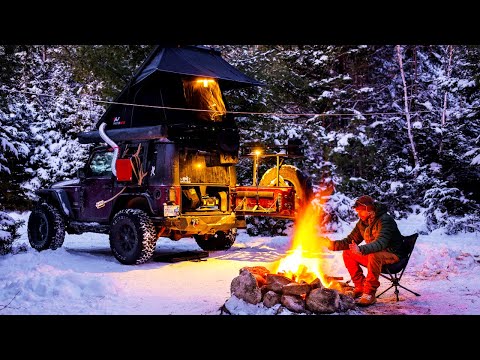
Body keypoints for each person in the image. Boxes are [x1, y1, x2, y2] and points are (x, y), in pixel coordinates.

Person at [325, 195, 406, 306]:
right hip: (375, 255)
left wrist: (361, 249)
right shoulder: (363, 222)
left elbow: (381, 243)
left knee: (374, 255)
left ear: (368, 209)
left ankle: (369, 293)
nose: (358, 214)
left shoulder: (385, 220)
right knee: (348, 252)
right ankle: (360, 286)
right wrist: (330, 244)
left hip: (393, 255)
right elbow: (350, 241)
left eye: (360, 211)